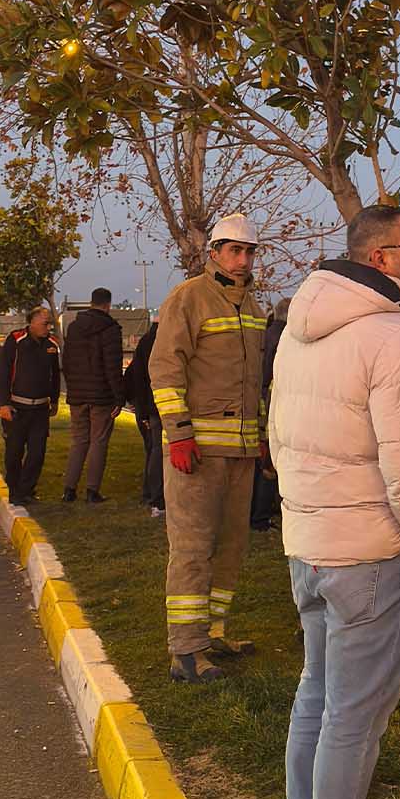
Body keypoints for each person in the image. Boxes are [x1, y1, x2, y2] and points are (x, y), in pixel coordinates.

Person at [267, 205, 400, 799]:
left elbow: (279, 439)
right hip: (375, 552)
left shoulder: (299, 329)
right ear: (381, 259)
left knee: (317, 694)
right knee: (356, 714)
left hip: (311, 544)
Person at [150, 214, 268, 683]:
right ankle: (185, 650)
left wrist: (258, 437)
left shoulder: (253, 304)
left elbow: (252, 379)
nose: (242, 260)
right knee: (193, 548)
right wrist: (178, 434)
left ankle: (213, 634)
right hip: (195, 451)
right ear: (214, 252)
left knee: (231, 546)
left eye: (249, 251)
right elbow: (164, 369)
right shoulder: (189, 297)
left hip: (240, 451)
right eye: (234, 250)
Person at [60, 289, 125, 504]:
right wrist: (119, 397)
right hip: (101, 396)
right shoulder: (111, 329)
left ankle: (69, 489)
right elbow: (112, 367)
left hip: (78, 395)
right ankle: (92, 490)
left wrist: (73, 387)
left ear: (90, 302)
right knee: (99, 441)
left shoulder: (74, 327)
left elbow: (67, 363)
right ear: (107, 304)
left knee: (79, 440)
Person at [0, 307, 62, 508]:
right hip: (17, 408)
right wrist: (4, 404)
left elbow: (55, 375)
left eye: (50, 323)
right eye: (45, 323)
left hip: (40, 410)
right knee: (14, 453)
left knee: (37, 453)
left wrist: (54, 400)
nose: (48, 327)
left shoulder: (52, 344)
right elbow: (4, 372)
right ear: (32, 322)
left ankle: (25, 491)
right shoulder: (16, 340)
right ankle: (15, 489)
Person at [250, 295, 291, 531]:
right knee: (268, 463)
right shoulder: (285, 338)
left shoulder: (266, 334)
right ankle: (261, 516)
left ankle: (258, 512)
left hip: (260, 401)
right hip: (271, 403)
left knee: (261, 460)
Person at [123, 319, 165, 516]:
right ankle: (157, 499)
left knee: (153, 451)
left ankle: (149, 494)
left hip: (148, 406)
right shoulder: (164, 341)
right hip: (159, 405)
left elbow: (134, 376)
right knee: (158, 451)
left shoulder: (146, 341)